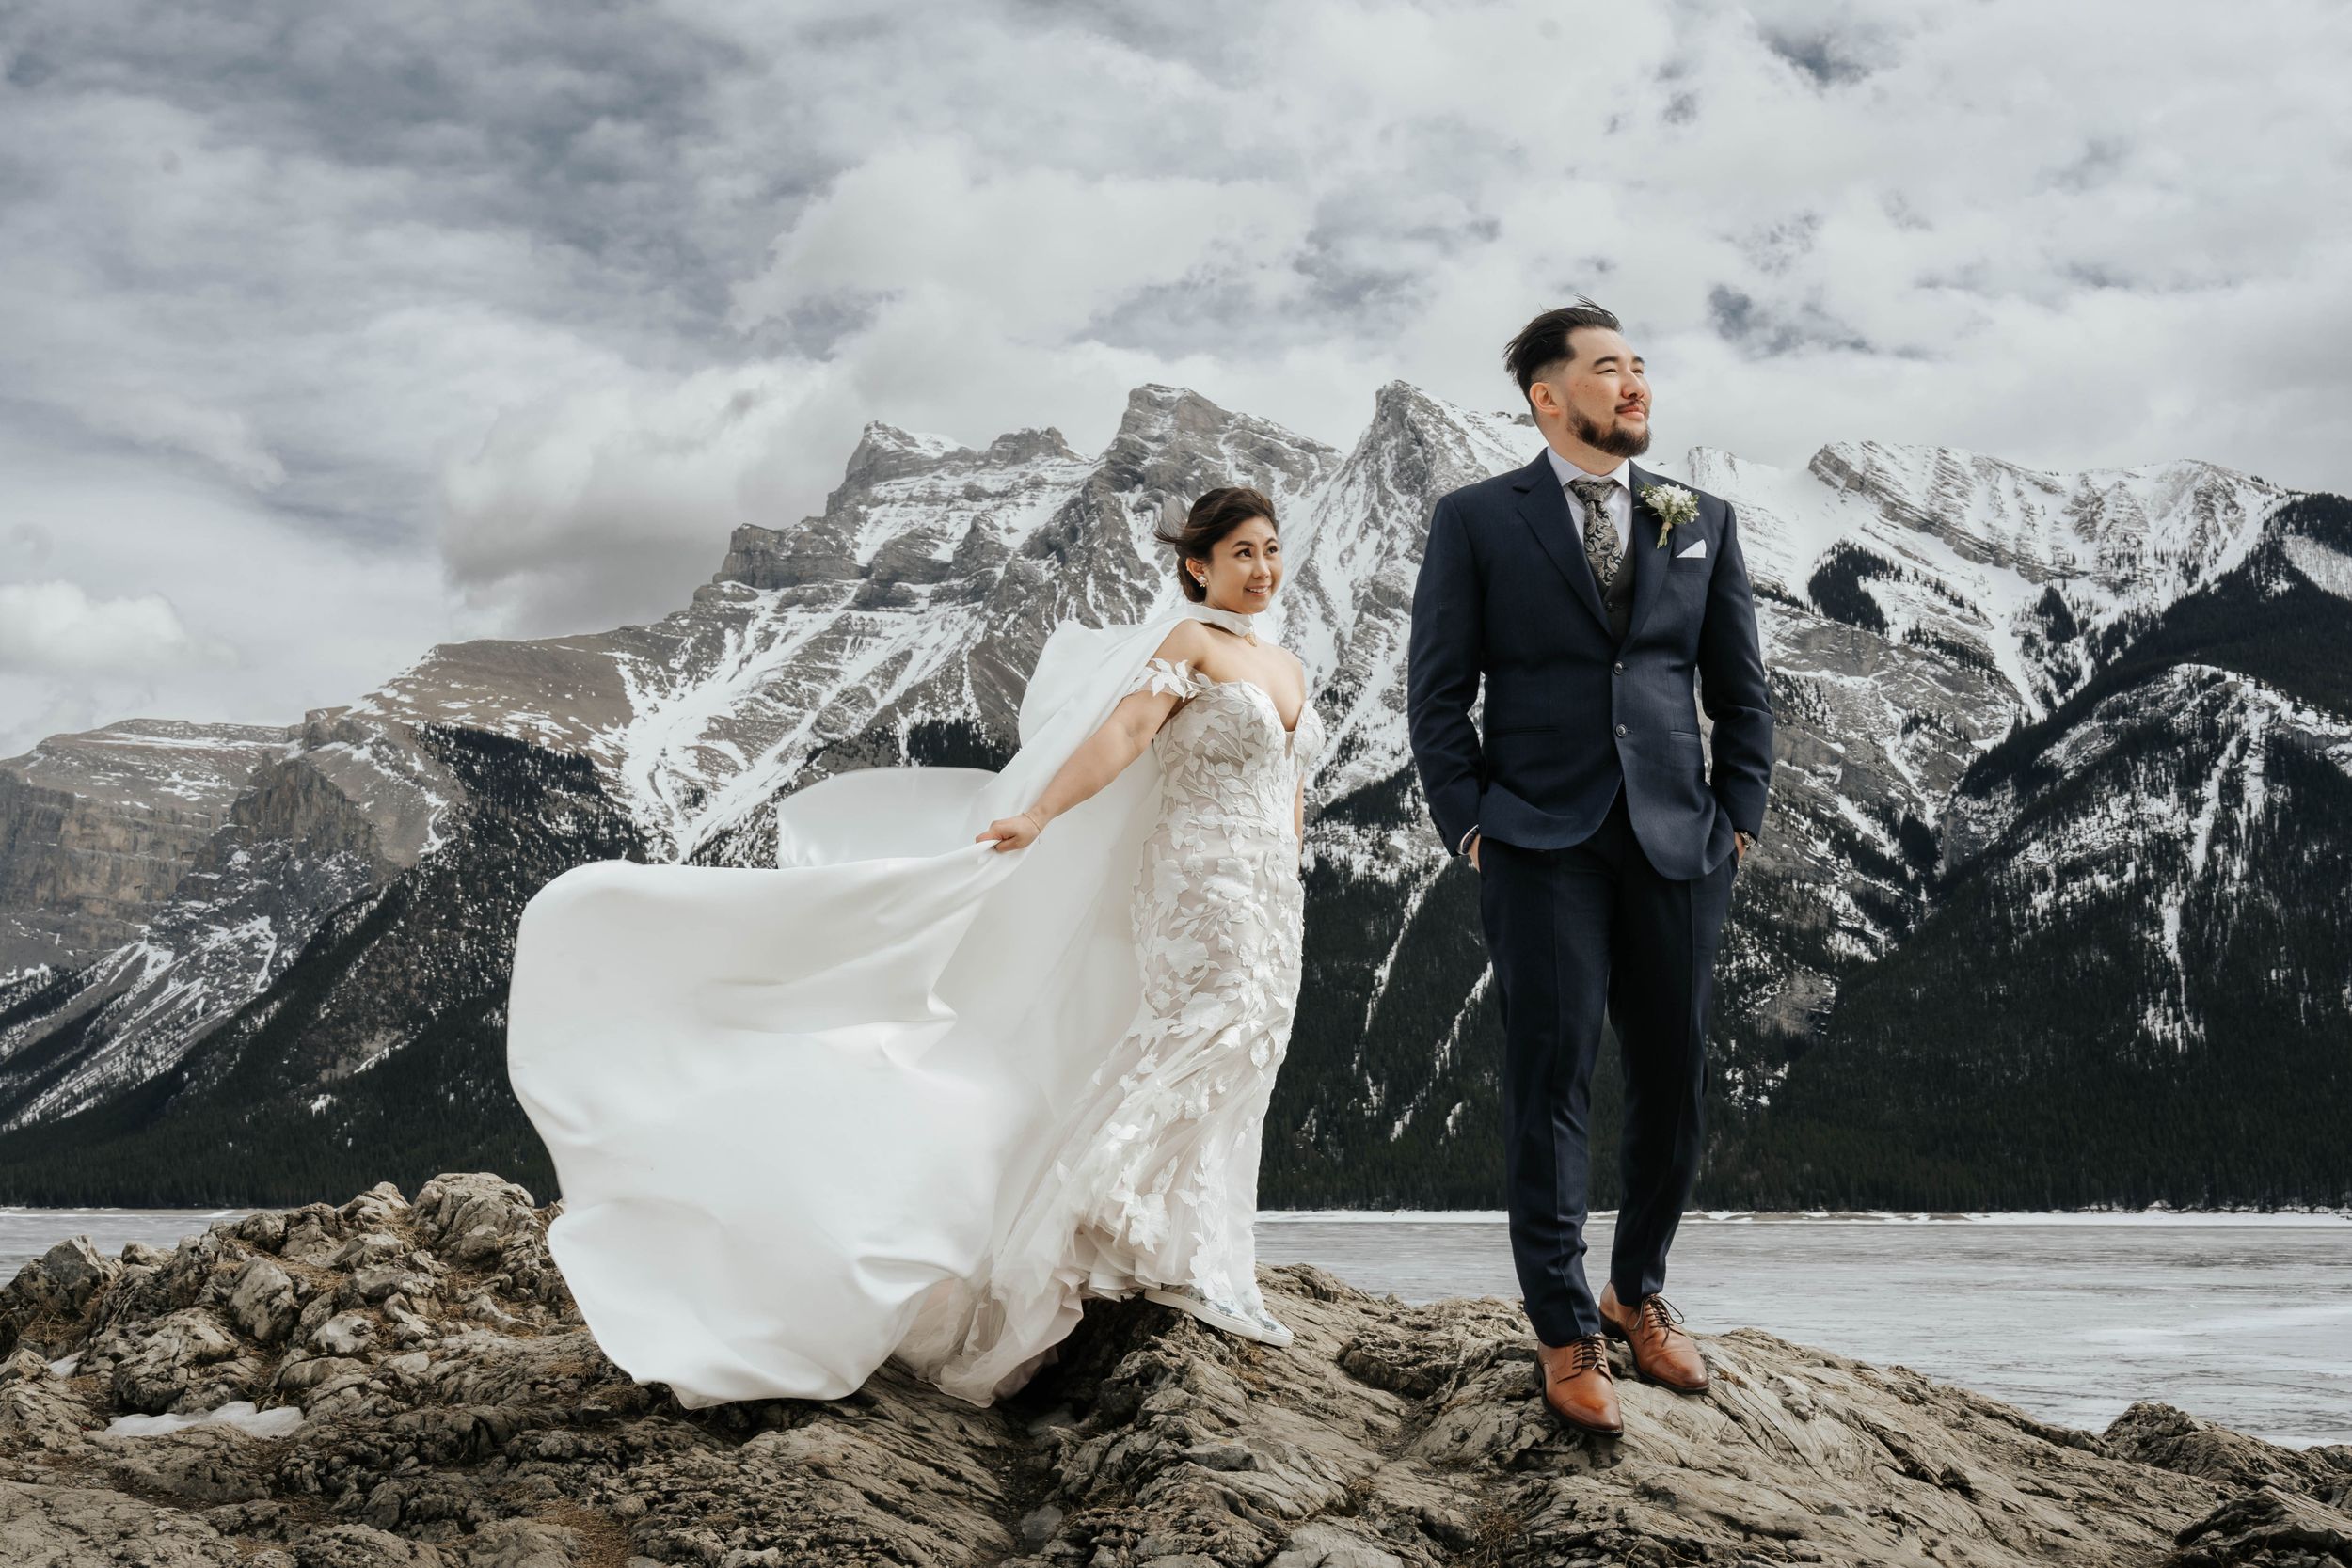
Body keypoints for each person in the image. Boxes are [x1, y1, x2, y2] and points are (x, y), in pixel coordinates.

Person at [505, 484, 1325, 1409]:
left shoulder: (1288, 663)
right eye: (1241, 553)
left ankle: (1196, 1245)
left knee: (1254, 1044)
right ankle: (1098, 1217)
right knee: (1203, 1031)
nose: (1261, 568)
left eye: (1269, 550)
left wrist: (1287, 863)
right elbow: (1129, 731)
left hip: (1266, 888)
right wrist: (1042, 812)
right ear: (1197, 566)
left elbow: (1288, 776)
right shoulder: (1191, 645)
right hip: (1199, 876)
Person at [1406, 299, 1773, 1437]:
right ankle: (1564, 1327)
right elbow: (1437, 689)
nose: (1635, 385)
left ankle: (1638, 1289)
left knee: (1674, 1073)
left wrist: (1738, 816)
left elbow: (1741, 686)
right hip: (1537, 836)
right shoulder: (1475, 518)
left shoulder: (1697, 516)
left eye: (1641, 366)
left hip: (1679, 837)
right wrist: (1470, 822)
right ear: (1546, 395)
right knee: (1549, 1078)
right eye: (1609, 369)